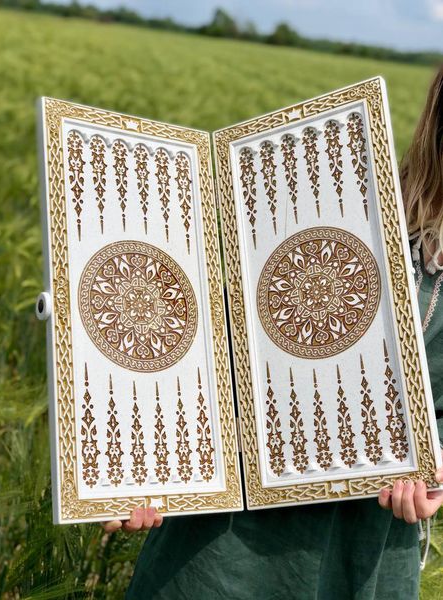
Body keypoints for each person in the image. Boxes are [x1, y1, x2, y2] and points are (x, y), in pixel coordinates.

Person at [104, 66, 443, 600]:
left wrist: (434, 470)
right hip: (225, 551)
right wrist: (131, 465)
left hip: (358, 554)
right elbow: (204, 348)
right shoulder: (337, 204)